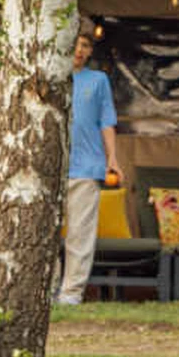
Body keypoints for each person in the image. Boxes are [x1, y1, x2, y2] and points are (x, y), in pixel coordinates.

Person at [58, 24, 120, 306]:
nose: (79, 51)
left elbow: (106, 121)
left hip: (87, 166)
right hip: (53, 168)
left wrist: (112, 158)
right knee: (45, 235)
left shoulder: (98, 80)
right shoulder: (53, 76)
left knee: (79, 235)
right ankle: (46, 289)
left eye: (85, 46)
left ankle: (71, 293)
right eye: (75, 44)